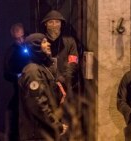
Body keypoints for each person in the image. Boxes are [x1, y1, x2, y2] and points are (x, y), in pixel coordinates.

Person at [41, 10, 84, 140]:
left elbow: (73, 62)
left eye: (57, 22)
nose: (54, 25)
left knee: (66, 122)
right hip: (46, 88)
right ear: (46, 25)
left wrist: (63, 79)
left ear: (61, 24)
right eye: (51, 22)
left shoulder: (69, 41)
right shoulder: (42, 41)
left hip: (65, 89)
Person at [18, 33, 68, 141]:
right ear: (35, 46)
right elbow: (38, 105)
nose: (48, 44)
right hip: (36, 134)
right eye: (44, 42)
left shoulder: (42, 68)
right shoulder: (32, 71)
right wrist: (56, 125)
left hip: (44, 132)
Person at [3, 23, 29, 141]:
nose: (21, 40)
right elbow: (6, 74)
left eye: (22, 37)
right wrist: (19, 76)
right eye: (17, 39)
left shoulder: (30, 44)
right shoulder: (11, 52)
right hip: (19, 91)